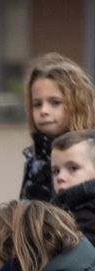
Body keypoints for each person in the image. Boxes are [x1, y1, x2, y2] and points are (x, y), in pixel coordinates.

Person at [20, 54, 95, 202]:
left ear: (77, 105)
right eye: (37, 104)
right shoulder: (34, 160)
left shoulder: (90, 151)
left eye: (55, 102)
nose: (44, 111)